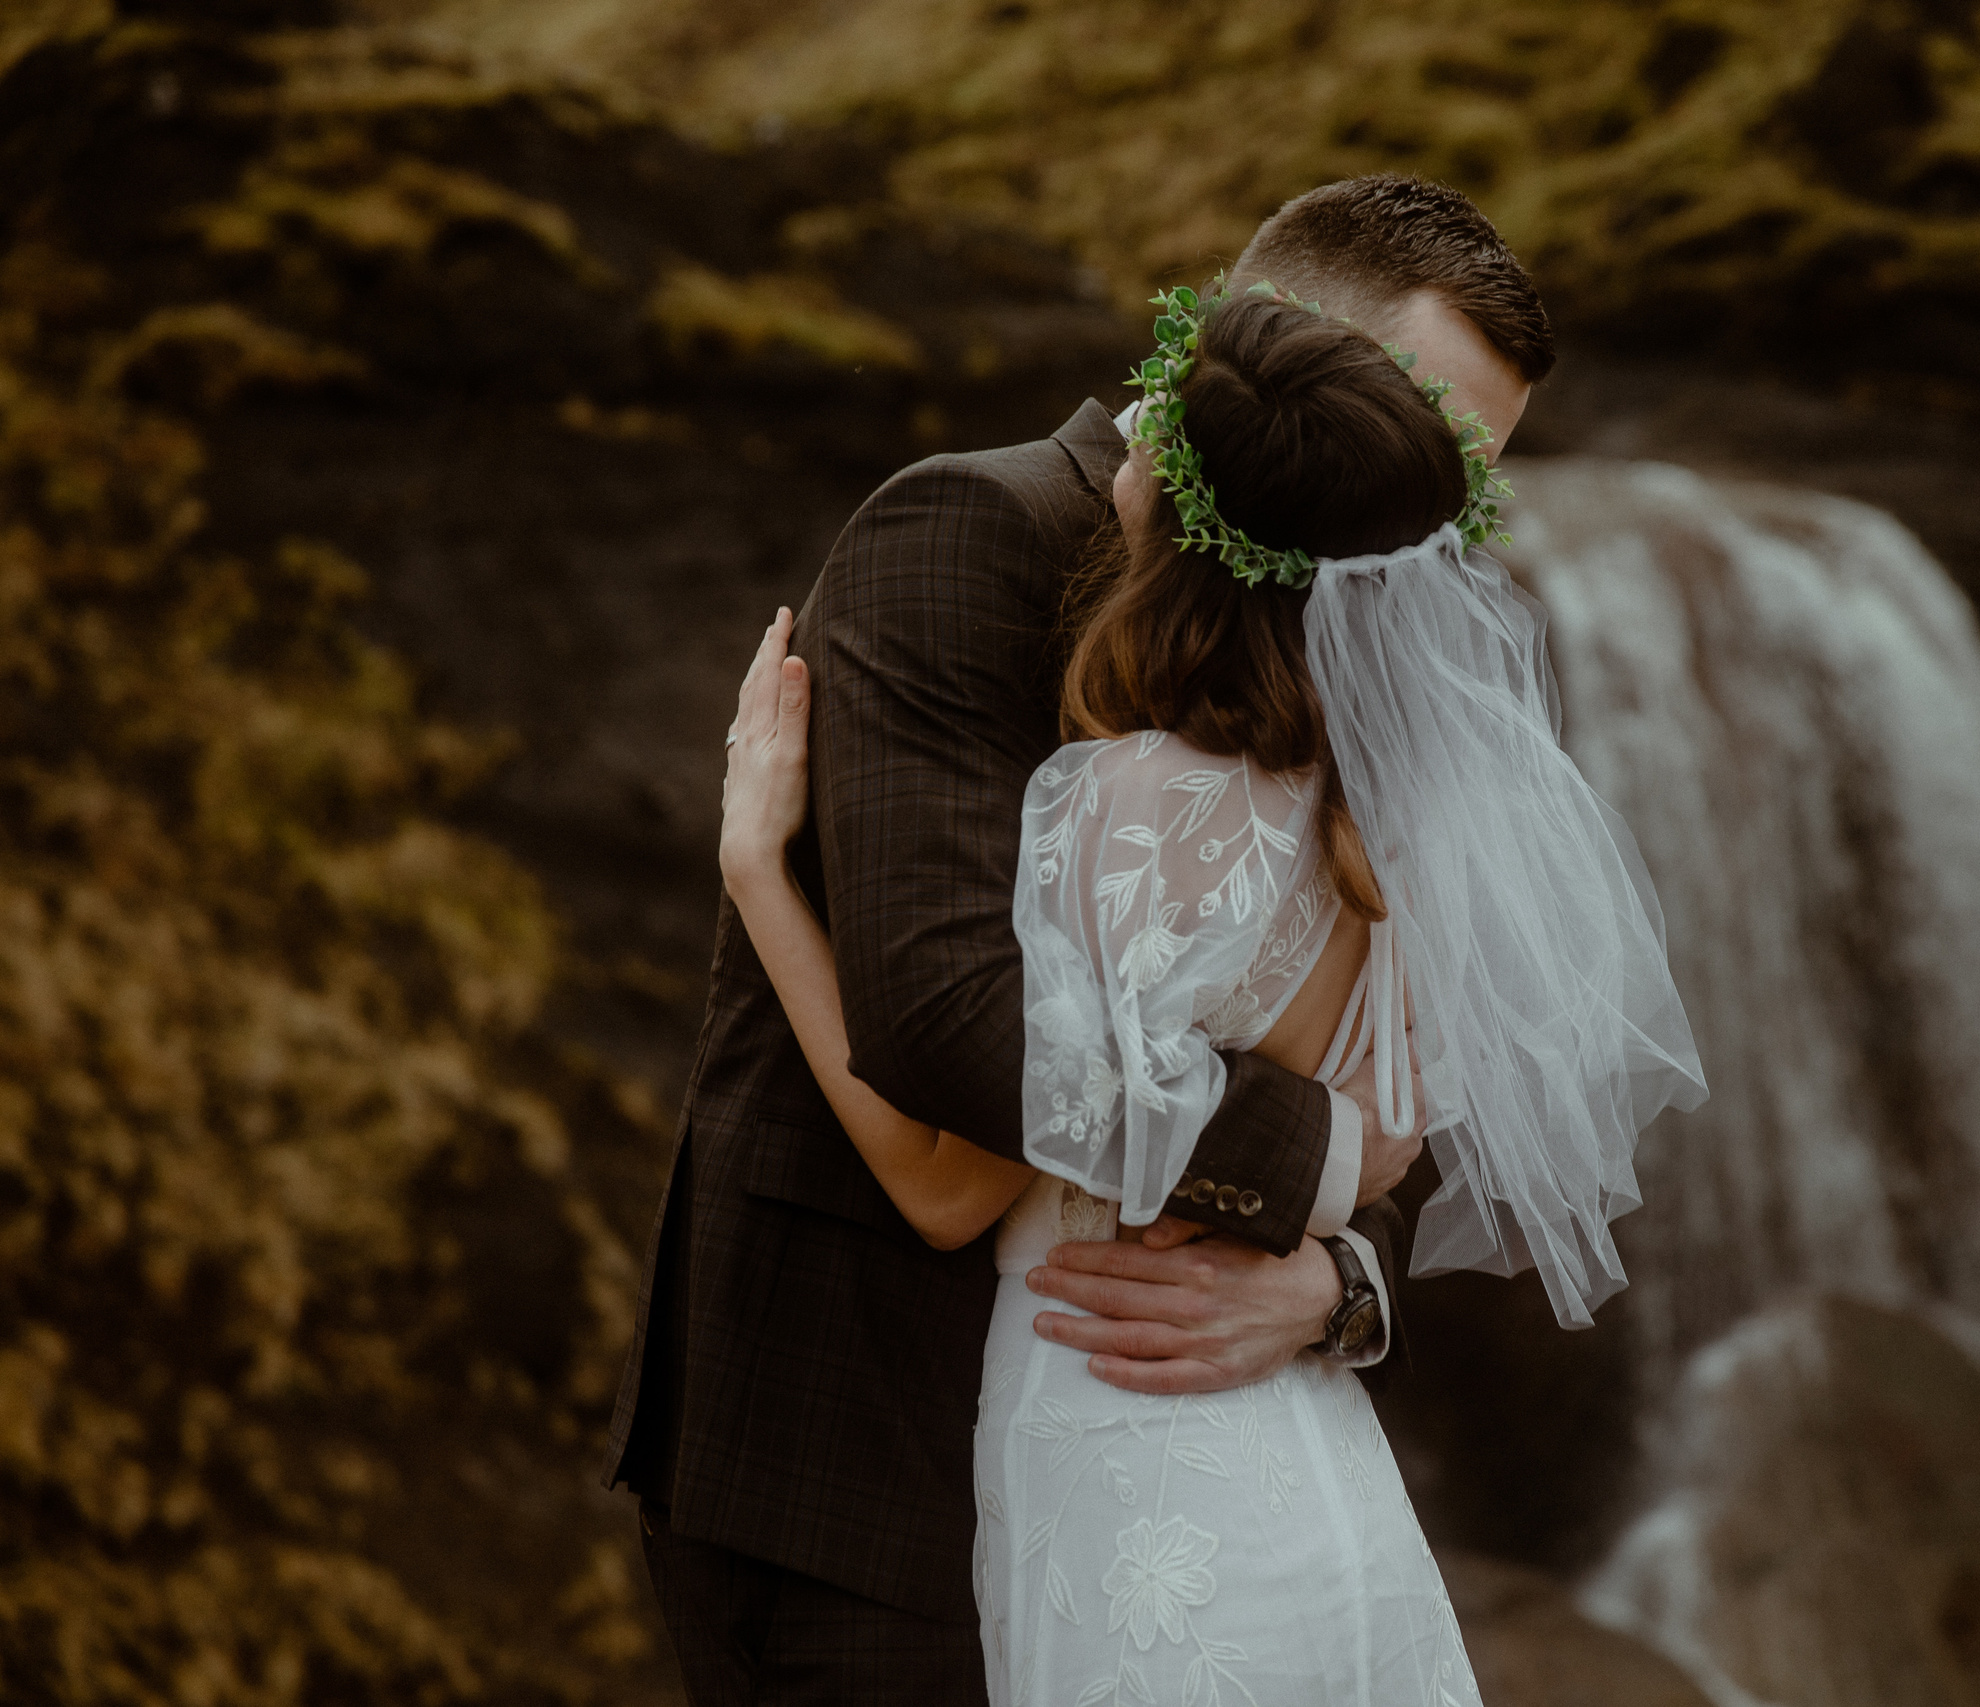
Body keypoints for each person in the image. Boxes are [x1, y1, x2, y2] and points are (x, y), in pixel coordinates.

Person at [602, 176, 1572, 1706]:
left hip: (1156, 1434)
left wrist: (1335, 1287)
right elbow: (947, 1023)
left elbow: (1420, 1067)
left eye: (1476, 483)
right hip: (857, 1455)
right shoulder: (965, 534)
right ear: (1280, 350)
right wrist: (1316, 1164)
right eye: (1435, 445)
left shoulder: (1352, 670)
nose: (1431, 522)